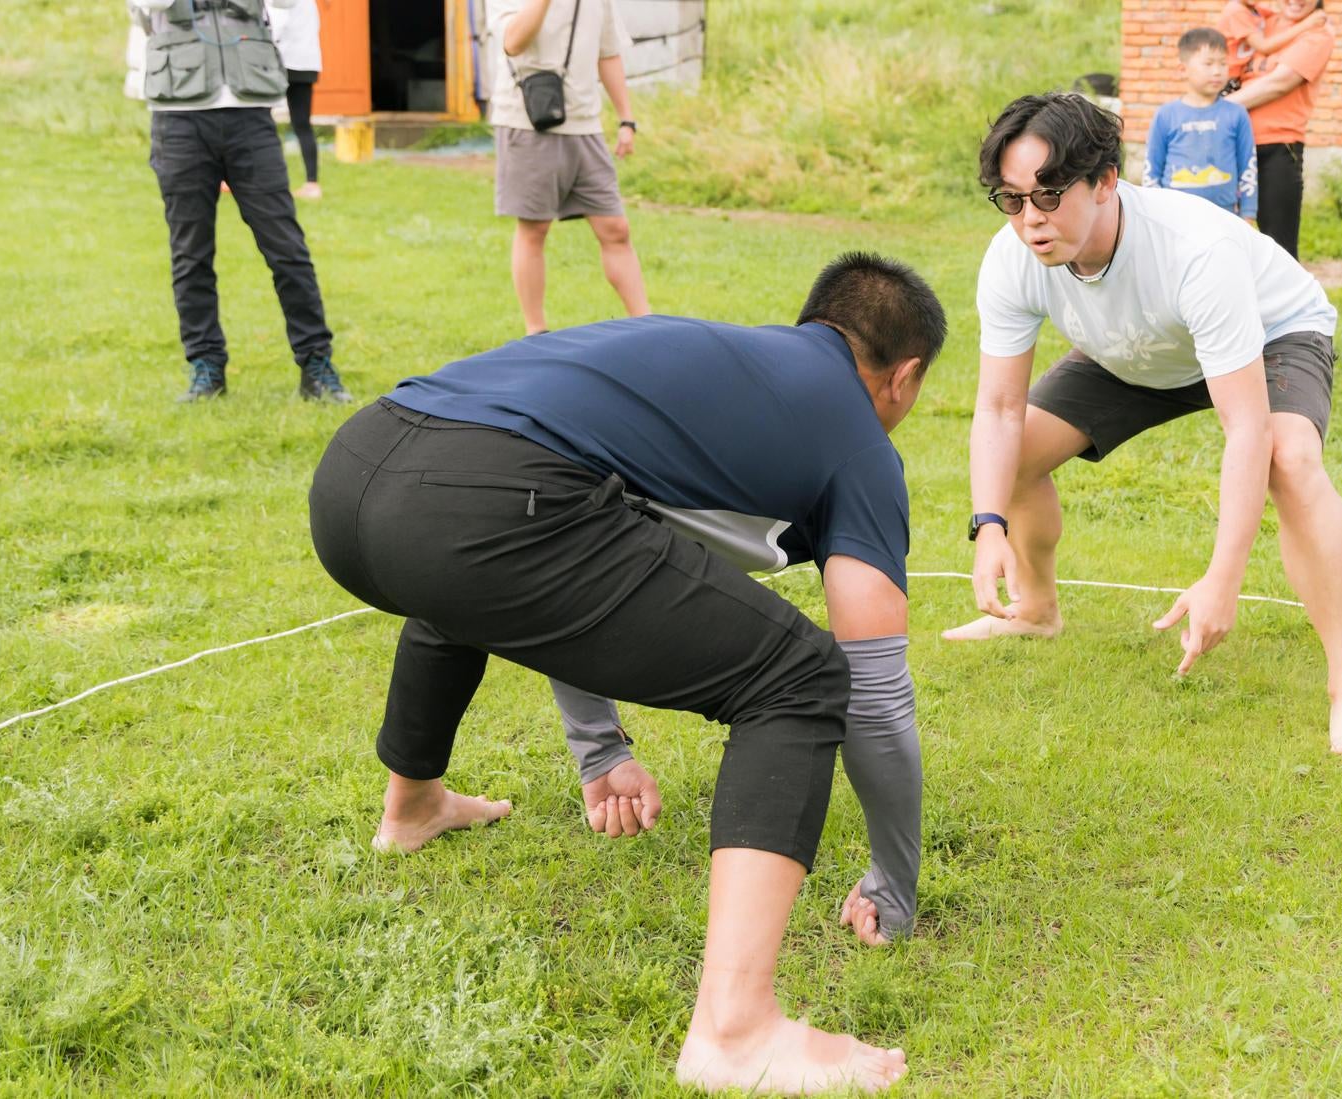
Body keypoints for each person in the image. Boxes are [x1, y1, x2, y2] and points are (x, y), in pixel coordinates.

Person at [308, 253, 946, 1094]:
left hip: (358, 467)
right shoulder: (856, 439)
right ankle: (736, 1032)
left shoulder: (709, 361)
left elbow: (574, 557)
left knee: (463, 578)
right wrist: (895, 881)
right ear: (904, 377)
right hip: (478, 506)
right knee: (800, 676)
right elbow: (874, 689)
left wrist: (599, 746)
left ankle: (414, 806)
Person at [945, 92, 1342, 762]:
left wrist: (1222, 578)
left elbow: (1248, 428)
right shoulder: (1011, 260)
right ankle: (1033, 612)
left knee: (1291, 460)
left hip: (1269, 333)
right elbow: (1000, 410)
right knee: (1013, 456)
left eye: (1048, 195)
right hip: (1137, 349)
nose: (1031, 221)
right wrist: (988, 525)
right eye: (1012, 200)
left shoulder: (1195, 249)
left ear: (1103, 182)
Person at [128, 0, 350, 404]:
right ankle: (206, 368)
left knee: (287, 250)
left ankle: (316, 367)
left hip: (251, 117)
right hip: (178, 117)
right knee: (191, 254)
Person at [487, 0, 648, 334]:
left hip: (585, 124)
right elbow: (513, 41)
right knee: (535, 228)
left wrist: (626, 119)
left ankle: (647, 326)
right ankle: (535, 332)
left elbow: (608, 52)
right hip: (527, 121)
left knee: (615, 228)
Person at [1225, 0, 1335, 258]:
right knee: (1227, 241)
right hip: (1232, 144)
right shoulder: (1261, 23)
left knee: (1279, 251)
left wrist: (1213, 108)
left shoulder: (1318, 33)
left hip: (1277, 147)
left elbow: (1278, 83)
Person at [1144, 27, 1259, 223]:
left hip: (1225, 218)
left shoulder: (1236, 114)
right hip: (1174, 219)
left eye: (1223, 64)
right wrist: (1153, 215)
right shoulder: (1165, 115)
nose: (1217, 71)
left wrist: (1248, 213)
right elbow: (1151, 170)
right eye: (1208, 64)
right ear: (1183, 69)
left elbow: (1248, 165)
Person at [267, 0, 323, 200]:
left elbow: (276, 26)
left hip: (284, 62)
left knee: (260, 120)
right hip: (308, 63)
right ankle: (312, 183)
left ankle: (264, 178)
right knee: (302, 125)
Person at [1215, 0, 1327, 88]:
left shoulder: (1255, 10)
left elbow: (1282, 16)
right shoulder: (1236, 10)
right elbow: (1264, 46)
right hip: (1226, 79)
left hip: (1236, 78)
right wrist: (1306, 24)